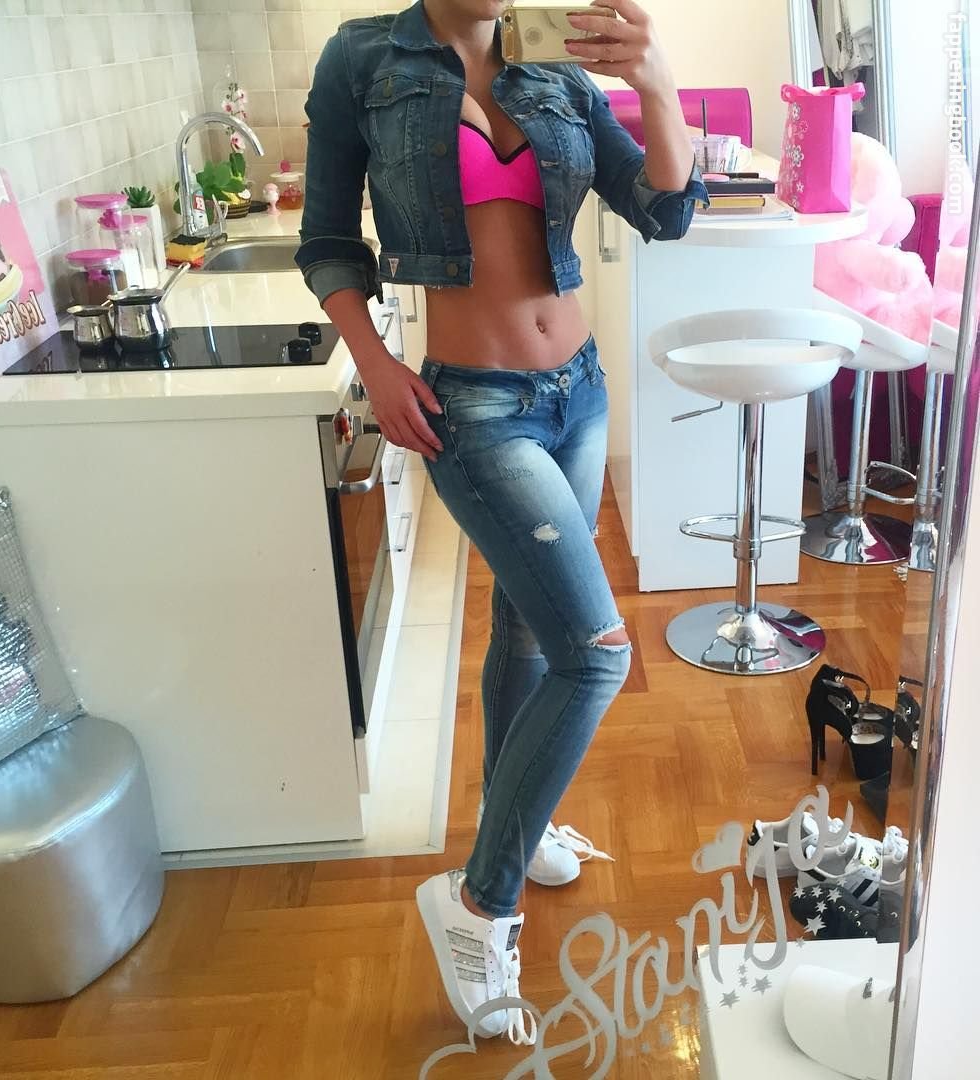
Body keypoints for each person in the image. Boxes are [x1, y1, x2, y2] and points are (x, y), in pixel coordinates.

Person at [297, 0, 705, 1043]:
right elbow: (328, 241)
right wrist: (376, 364)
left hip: (578, 390)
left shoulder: (555, 66)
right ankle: (480, 904)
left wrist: (655, 83)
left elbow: (664, 210)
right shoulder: (364, 60)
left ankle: (513, 827)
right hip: (474, 408)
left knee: (528, 629)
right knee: (596, 655)